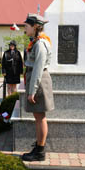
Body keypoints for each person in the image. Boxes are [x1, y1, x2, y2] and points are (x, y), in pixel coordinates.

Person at [21, 13, 55, 162]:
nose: (24, 28)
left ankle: (40, 151)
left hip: (39, 82)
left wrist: (32, 91)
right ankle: (39, 146)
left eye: (26, 26)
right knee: (38, 117)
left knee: (40, 117)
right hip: (37, 80)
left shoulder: (40, 44)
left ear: (35, 27)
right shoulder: (37, 41)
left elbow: (38, 69)